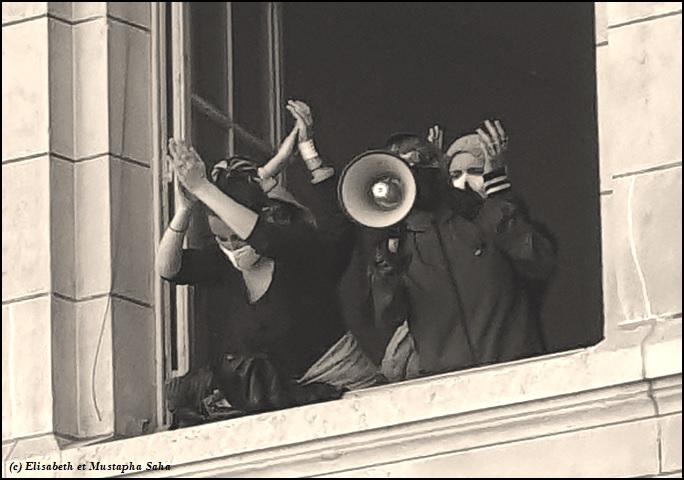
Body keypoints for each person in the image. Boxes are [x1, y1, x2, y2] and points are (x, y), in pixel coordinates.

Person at [158, 101, 378, 425]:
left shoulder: (294, 249)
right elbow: (169, 269)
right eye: (222, 239)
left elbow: (267, 237)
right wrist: (185, 208)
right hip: (285, 407)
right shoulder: (223, 267)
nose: (232, 246)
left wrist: (204, 186)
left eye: (237, 237)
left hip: (349, 393)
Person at [370, 120, 557, 380]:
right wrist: (386, 261)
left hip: (516, 372)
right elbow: (388, 318)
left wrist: (483, 196)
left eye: (416, 163)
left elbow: (539, 260)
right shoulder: (401, 245)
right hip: (446, 385)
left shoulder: (482, 217)